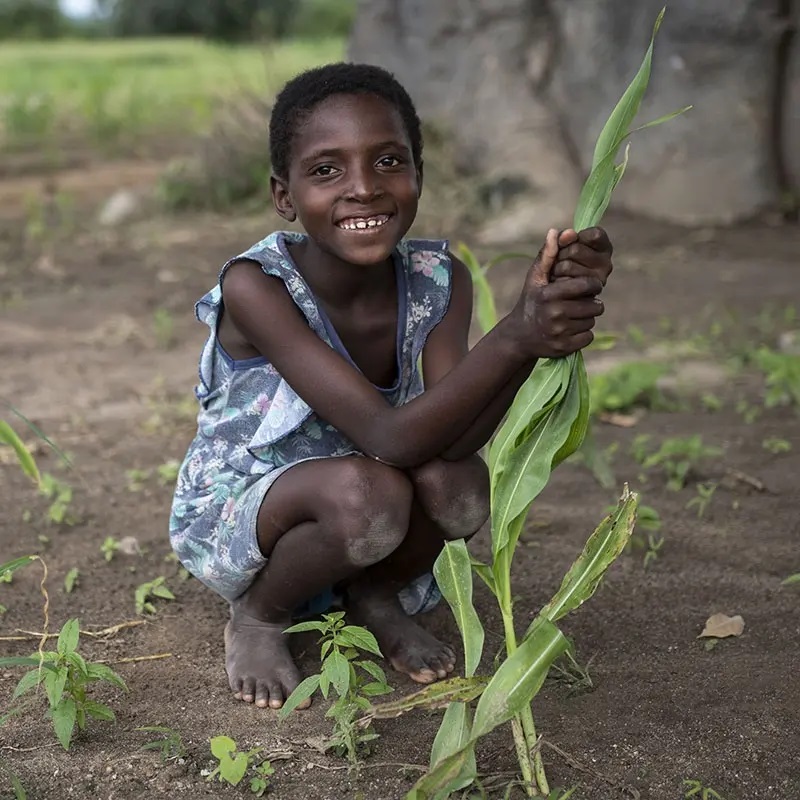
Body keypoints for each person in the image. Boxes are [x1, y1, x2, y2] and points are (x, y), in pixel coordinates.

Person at [169, 62, 613, 711]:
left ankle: (374, 593)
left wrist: (541, 328)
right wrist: (515, 335)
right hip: (246, 512)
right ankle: (262, 616)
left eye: (388, 162)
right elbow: (387, 436)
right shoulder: (256, 287)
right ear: (284, 196)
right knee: (367, 493)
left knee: (460, 486)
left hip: (373, 494)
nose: (364, 189)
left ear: (418, 176)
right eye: (327, 170)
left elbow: (455, 435)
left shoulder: (439, 278)